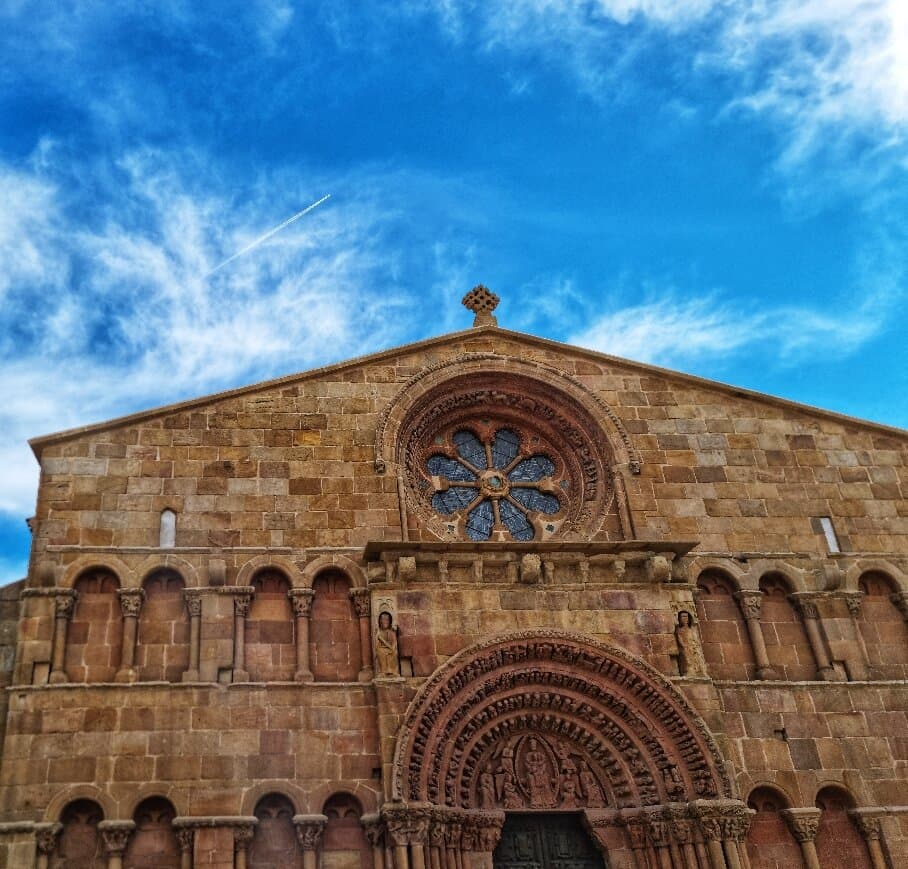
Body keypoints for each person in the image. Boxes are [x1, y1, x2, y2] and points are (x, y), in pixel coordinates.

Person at [675, 610, 707, 677]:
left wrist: (694, 645)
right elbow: (679, 638)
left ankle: (698, 672)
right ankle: (688, 672)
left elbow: (695, 639)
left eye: (686, 617)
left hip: (693, 647)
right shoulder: (679, 630)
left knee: (696, 660)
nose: (685, 619)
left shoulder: (691, 629)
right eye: (683, 617)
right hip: (686, 647)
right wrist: (684, 646)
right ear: (679, 619)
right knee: (687, 660)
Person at [375, 611, 399, 677]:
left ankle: (392, 671)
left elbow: (394, 642)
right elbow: (377, 643)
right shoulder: (379, 632)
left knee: (393, 653)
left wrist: (393, 648)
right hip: (382, 648)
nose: (385, 621)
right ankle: (383, 671)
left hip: (390, 648)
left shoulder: (391, 632)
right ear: (380, 621)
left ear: (390, 621)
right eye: (383, 620)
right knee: (381, 652)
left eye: (387, 620)